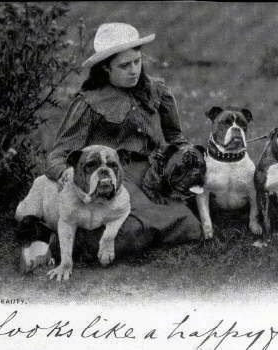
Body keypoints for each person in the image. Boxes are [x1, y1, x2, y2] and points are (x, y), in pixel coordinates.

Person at [19, 22, 202, 270]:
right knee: (131, 232)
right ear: (105, 68)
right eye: (124, 65)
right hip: (115, 175)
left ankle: (81, 234)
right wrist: (64, 172)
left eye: (137, 61)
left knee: (189, 226)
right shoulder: (89, 102)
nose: (134, 70)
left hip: (153, 176)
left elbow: (176, 137)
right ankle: (58, 236)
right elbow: (59, 153)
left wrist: (191, 158)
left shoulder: (157, 91)